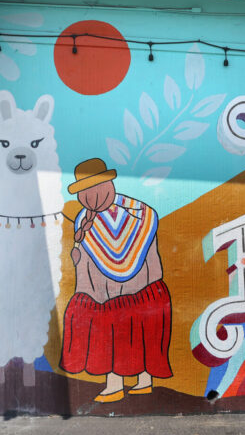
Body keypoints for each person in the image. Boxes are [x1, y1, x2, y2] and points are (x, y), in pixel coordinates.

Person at [61, 158, 173, 402]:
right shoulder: (84, 220)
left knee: (137, 335)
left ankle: (143, 381)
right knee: (112, 336)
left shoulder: (140, 213)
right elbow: (86, 261)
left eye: (94, 187)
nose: (90, 195)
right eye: (84, 191)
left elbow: (141, 253)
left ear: (108, 183)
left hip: (141, 289)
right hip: (104, 295)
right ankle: (115, 384)